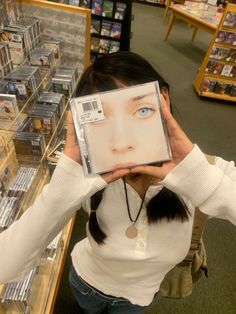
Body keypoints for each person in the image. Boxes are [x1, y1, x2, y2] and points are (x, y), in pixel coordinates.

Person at [0, 52, 236, 314]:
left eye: (142, 110)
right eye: (102, 121)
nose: (125, 138)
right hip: (84, 283)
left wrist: (204, 182)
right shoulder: (89, 179)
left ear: (164, 100)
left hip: (138, 299)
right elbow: (4, 265)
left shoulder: (208, 171)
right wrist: (58, 196)